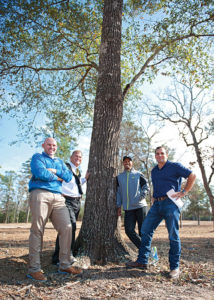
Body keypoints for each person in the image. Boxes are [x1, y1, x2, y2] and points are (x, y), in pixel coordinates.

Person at [126, 146, 196, 279]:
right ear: (155, 156)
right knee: (145, 230)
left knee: (173, 236)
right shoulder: (154, 171)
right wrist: (153, 199)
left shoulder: (175, 166)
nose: (160, 155)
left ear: (167, 154)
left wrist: (184, 192)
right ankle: (142, 260)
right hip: (156, 204)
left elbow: (192, 175)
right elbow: (156, 187)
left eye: (162, 153)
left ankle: (174, 267)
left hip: (171, 204)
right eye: (157, 154)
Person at [27, 137, 82, 281]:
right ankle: (34, 269)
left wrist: (54, 171)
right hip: (40, 193)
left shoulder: (59, 162)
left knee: (67, 227)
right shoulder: (37, 157)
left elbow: (69, 177)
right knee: (37, 229)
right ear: (43, 145)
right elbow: (40, 173)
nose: (52, 147)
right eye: (49, 145)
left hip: (58, 197)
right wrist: (58, 177)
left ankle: (64, 264)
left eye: (54, 145)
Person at [52, 150, 89, 265]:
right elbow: (58, 178)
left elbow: (74, 184)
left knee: (67, 228)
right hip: (66, 200)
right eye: (76, 156)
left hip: (77, 202)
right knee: (70, 226)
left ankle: (62, 254)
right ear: (71, 157)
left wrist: (85, 179)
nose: (78, 158)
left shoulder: (78, 171)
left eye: (80, 157)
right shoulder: (66, 167)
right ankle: (61, 256)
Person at [116, 156, 149, 249]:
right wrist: (118, 206)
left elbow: (146, 186)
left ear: (132, 163)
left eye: (129, 161)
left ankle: (144, 254)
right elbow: (118, 192)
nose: (127, 163)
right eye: (125, 161)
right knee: (129, 231)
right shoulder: (119, 177)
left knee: (143, 232)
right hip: (128, 208)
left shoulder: (138, 174)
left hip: (140, 206)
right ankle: (146, 250)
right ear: (123, 163)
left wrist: (140, 197)